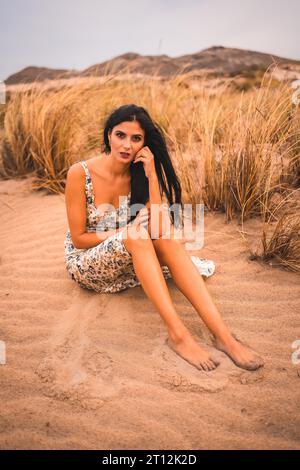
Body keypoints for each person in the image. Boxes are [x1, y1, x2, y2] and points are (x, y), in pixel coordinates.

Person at [64, 104, 264, 373]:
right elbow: (78, 238)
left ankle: (223, 336)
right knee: (136, 234)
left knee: (167, 241)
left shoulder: (138, 174)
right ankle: (178, 336)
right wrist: (125, 234)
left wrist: (151, 175)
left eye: (136, 139)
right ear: (108, 135)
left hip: (131, 254)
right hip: (87, 263)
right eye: (120, 135)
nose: (127, 145)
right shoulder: (80, 173)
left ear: (144, 145)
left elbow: (159, 230)